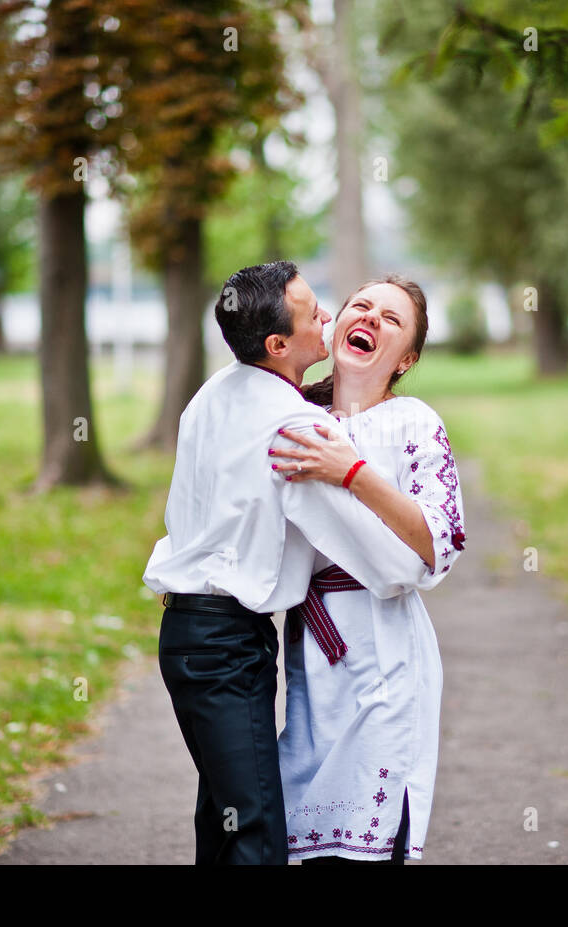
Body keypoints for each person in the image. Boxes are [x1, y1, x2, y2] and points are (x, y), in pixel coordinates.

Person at [142, 261, 435, 865]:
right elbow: (389, 563)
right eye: (313, 313)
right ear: (278, 344)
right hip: (230, 643)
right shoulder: (296, 425)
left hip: (182, 633)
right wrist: (359, 484)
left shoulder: (208, 398)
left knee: (221, 819)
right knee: (254, 833)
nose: (328, 316)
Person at [269, 275, 466, 863]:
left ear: (406, 357)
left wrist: (350, 470)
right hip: (312, 640)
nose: (372, 319)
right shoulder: (290, 412)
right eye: (362, 306)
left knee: (372, 835)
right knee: (302, 831)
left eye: (392, 318)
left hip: (386, 646)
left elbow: (440, 542)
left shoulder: (415, 422)